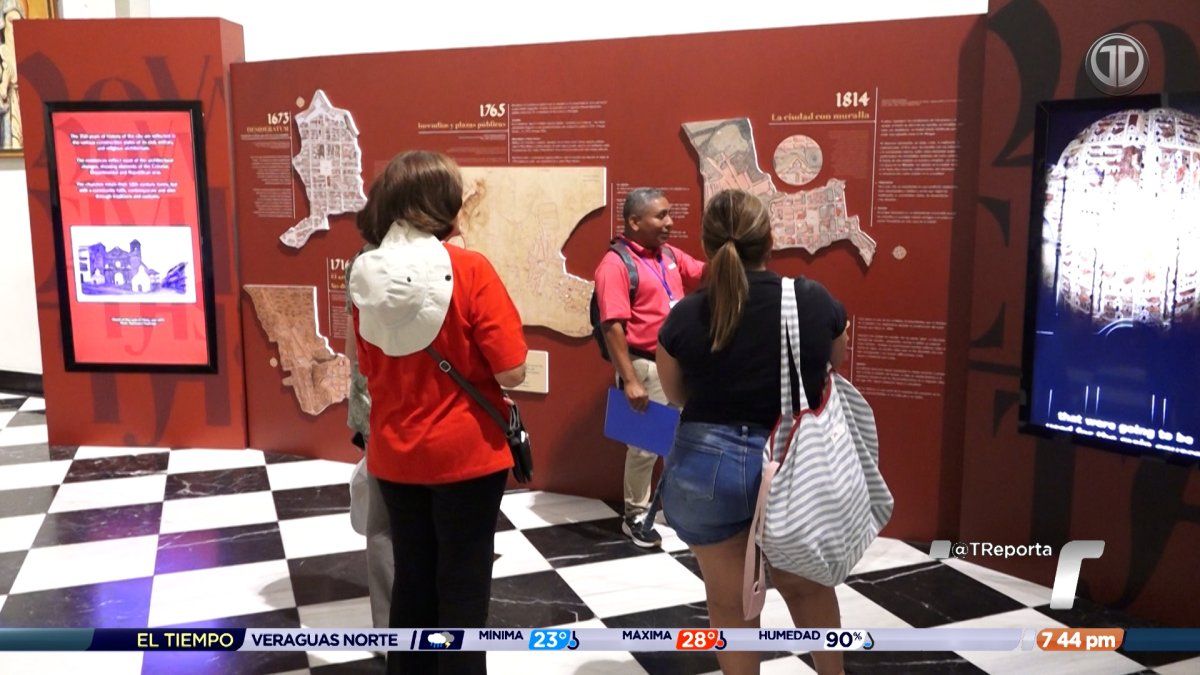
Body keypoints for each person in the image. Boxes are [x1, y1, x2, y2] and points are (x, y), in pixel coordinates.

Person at [656, 189, 849, 675]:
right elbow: (834, 363)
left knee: (729, 604)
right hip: (792, 462)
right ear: (769, 240)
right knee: (808, 589)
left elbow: (676, 395)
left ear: (707, 246)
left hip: (706, 468)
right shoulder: (811, 299)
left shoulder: (686, 315)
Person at [350, 150, 527, 675]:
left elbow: (369, 368)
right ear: (440, 203)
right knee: (463, 588)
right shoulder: (470, 269)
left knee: (412, 580)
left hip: (395, 453)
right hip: (466, 454)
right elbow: (513, 371)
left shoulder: (366, 276)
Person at [594, 187, 704, 547]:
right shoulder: (615, 265)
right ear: (635, 221)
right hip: (645, 365)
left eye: (669, 214)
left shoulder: (668, 254)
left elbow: (702, 272)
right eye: (661, 216)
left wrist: (735, 251)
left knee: (678, 440)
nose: (669, 222)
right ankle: (636, 514)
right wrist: (630, 380)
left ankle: (670, 505)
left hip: (677, 363)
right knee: (644, 446)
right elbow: (612, 326)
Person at [343, 236, 394, 632]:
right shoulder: (446, 259)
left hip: (379, 409)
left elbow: (351, 349)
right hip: (421, 412)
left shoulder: (363, 260)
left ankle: (393, 631)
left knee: (385, 523)